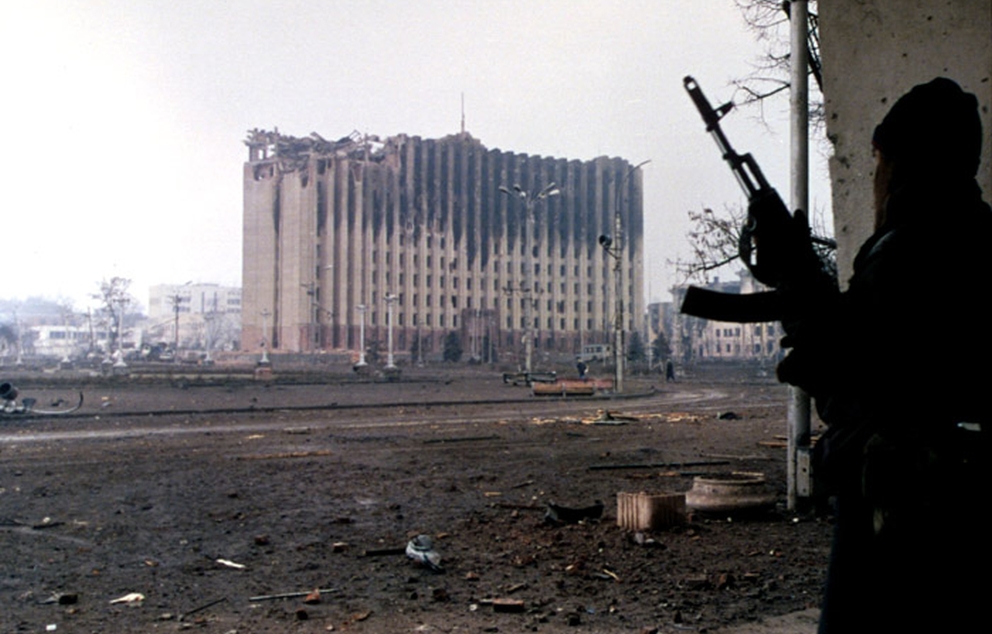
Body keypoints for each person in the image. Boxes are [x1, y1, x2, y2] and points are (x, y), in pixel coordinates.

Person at [772, 77, 990, 633]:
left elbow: (855, 373)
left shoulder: (908, 249)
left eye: (880, 161)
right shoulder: (976, 235)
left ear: (904, 164)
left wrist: (797, 280)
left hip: (906, 502)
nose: (874, 178)